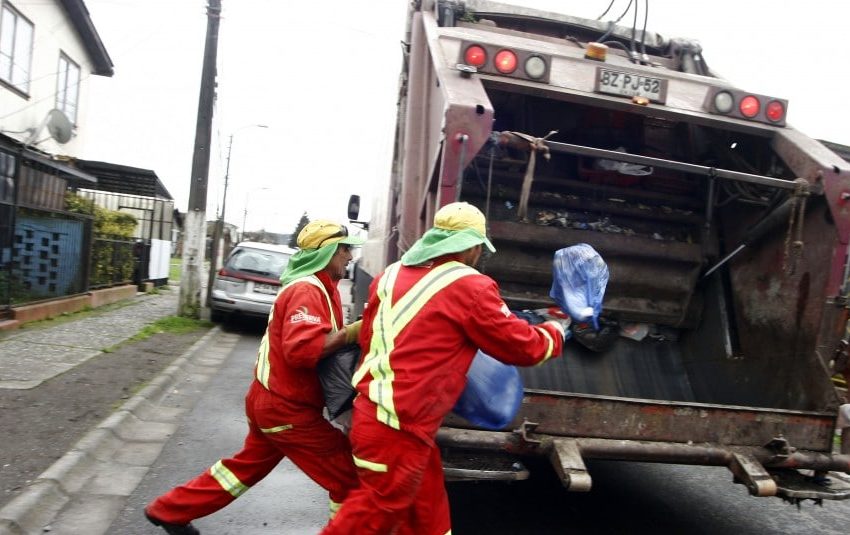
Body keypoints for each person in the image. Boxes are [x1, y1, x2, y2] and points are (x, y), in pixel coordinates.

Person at [322, 202, 568, 535]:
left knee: (428, 515)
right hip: (398, 427)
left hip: (379, 417)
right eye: (479, 247)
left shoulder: (388, 277)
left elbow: (369, 338)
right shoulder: (472, 286)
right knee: (370, 516)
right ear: (471, 247)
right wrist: (556, 331)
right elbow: (523, 347)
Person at [145, 220, 364, 535]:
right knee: (350, 479)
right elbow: (302, 351)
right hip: (287, 409)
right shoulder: (307, 289)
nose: (351, 256)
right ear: (327, 251)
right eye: (345, 249)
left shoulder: (314, 286)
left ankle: (169, 510)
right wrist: (352, 333)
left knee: (243, 469)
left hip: (271, 402)